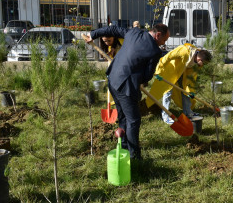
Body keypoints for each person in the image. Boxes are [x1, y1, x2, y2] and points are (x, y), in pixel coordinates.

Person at [85, 23, 170, 159]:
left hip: (112, 79)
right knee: (133, 120)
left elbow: (113, 29)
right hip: (126, 86)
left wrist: (93, 34)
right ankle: (134, 156)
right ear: (158, 35)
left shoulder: (133, 33)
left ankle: (123, 146)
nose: (163, 43)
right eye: (164, 40)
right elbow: (147, 76)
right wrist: (141, 78)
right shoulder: (155, 51)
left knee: (123, 116)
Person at [145, 43, 212, 123]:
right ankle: (165, 116)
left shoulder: (197, 64)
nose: (204, 65)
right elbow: (168, 57)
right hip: (170, 71)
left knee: (186, 92)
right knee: (168, 92)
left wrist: (190, 91)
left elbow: (191, 78)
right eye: (204, 63)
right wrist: (158, 71)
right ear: (200, 60)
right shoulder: (184, 51)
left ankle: (188, 112)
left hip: (181, 73)